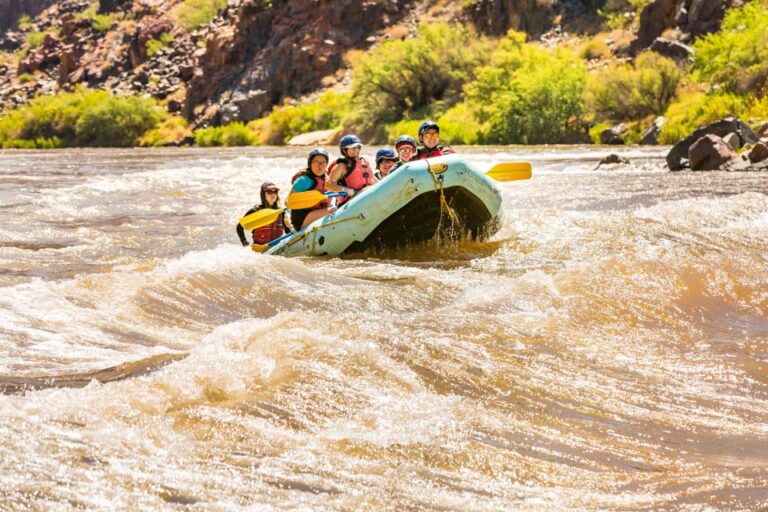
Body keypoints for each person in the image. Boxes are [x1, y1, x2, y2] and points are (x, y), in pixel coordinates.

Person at [288, 147, 335, 230]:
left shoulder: (327, 179)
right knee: (333, 209)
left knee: (335, 207)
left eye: (323, 162)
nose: (319, 166)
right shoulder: (303, 181)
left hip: (321, 213)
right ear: (310, 164)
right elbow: (289, 202)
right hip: (303, 218)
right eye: (316, 162)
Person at [236, 182, 294, 246]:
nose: (273, 195)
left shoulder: (280, 212)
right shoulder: (256, 210)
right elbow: (239, 227)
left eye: (275, 192)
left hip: (276, 246)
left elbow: (287, 231)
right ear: (263, 195)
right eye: (269, 192)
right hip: (260, 249)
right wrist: (245, 243)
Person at [327, 134, 375, 204]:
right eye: (353, 148)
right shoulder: (341, 166)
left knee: (368, 189)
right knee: (367, 189)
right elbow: (328, 185)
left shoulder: (364, 161)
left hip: (367, 195)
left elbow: (372, 178)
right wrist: (345, 190)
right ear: (344, 150)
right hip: (349, 202)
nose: (356, 150)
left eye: (358, 147)